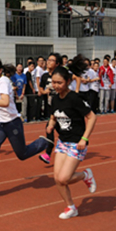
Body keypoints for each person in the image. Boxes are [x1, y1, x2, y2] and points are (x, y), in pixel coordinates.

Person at [0, 57, 50, 194]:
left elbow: (5, 102)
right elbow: (1, 100)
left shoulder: (3, 81)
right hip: (0, 123)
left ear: (0, 70)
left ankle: (43, 143)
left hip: (12, 123)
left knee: (22, 154)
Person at [47, 55, 97, 219]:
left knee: (65, 177)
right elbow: (54, 115)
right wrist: (51, 124)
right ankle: (70, 207)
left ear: (68, 81)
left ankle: (85, 175)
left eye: (59, 83)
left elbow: (92, 117)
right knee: (57, 179)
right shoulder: (54, 99)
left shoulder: (75, 98)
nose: (56, 86)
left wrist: (85, 138)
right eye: (54, 82)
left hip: (76, 142)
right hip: (62, 142)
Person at [38, 53, 62, 164]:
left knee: (50, 128)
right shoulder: (44, 76)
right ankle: (75, 142)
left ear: (57, 63)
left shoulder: (61, 75)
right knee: (59, 129)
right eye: (48, 59)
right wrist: (44, 91)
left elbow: (75, 79)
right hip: (50, 106)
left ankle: (47, 153)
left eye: (52, 60)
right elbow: (41, 89)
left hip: (61, 106)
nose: (48, 61)